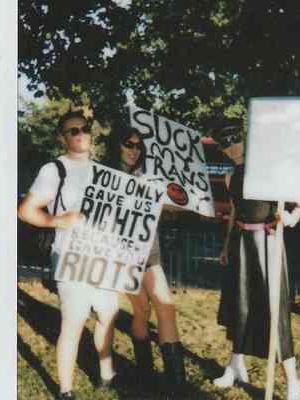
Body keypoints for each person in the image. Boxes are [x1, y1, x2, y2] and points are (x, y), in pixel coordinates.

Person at [18, 110, 120, 400]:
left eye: (84, 128)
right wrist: (56, 221)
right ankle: (65, 390)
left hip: (104, 257)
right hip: (70, 257)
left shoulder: (103, 171)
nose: (80, 134)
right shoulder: (54, 170)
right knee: (74, 322)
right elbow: (25, 210)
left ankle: (106, 374)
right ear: (62, 137)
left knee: (107, 315)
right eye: (72, 131)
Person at [209, 120, 300, 400]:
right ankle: (236, 365)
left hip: (268, 243)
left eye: (232, 139)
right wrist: (227, 245)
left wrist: (292, 217)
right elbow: (232, 212)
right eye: (223, 143)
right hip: (241, 243)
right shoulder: (231, 176)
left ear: (244, 136)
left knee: (274, 310)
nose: (229, 147)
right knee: (239, 304)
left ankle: (292, 382)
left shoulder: (268, 169)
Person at [103, 122, 186, 398]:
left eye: (139, 146)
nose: (134, 150)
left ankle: (176, 385)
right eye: (129, 144)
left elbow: (170, 208)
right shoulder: (105, 176)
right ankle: (146, 375)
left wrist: (176, 203)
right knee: (142, 311)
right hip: (123, 254)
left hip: (150, 251)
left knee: (166, 306)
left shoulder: (151, 175)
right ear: (117, 145)